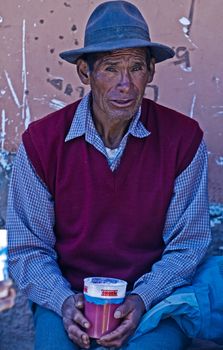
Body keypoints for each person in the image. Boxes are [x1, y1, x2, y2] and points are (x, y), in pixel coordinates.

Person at [6, 1, 211, 349]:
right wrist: (64, 302)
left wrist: (143, 298)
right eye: (110, 69)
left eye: (135, 68)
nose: (125, 84)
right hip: (69, 298)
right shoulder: (42, 143)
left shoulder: (183, 139)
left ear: (151, 71)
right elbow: (28, 249)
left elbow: (187, 245)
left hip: (152, 299)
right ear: (85, 73)